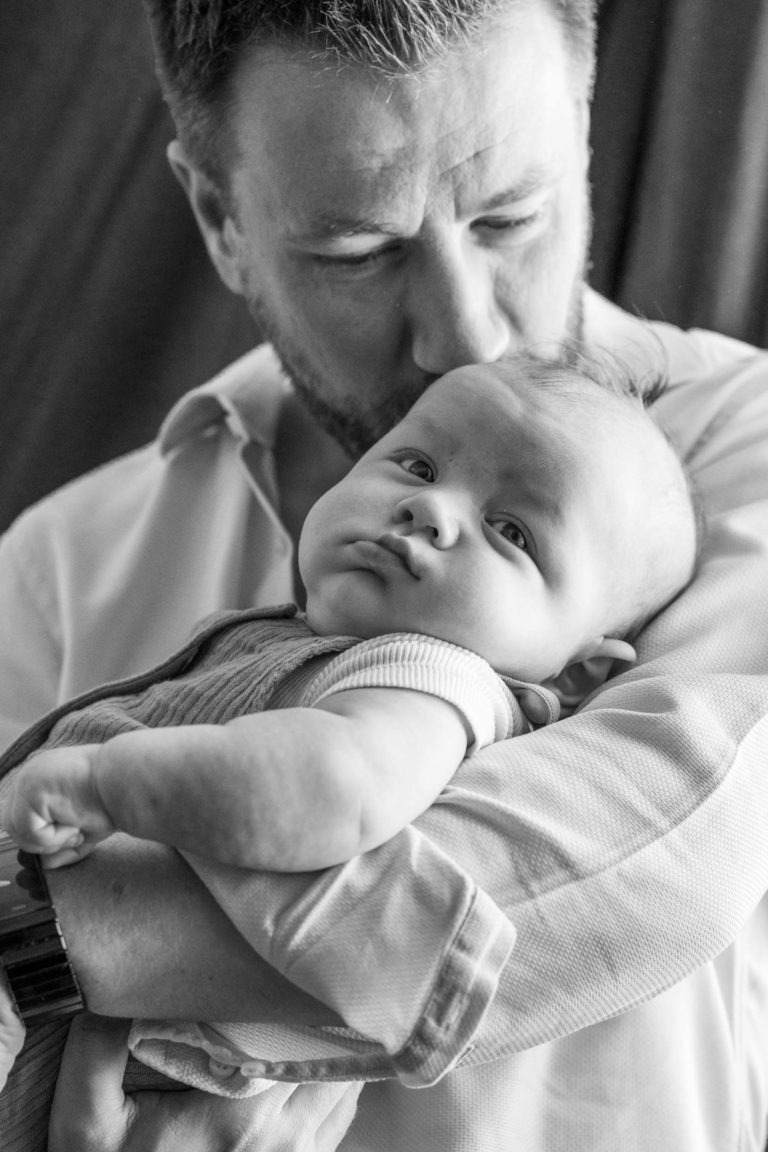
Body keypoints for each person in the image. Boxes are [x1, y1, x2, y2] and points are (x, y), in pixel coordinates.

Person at [0, 2, 767, 1150]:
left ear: (584, 133)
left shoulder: (739, 444)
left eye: (511, 215)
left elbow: (651, 866)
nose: (463, 337)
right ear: (220, 220)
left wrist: (42, 941)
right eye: (360, 251)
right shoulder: (62, 563)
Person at [0, 354, 696, 1107]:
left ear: (574, 675)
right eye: (417, 463)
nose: (430, 509)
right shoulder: (305, 642)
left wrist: (111, 783)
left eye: (512, 532)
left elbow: (329, 787)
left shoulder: (431, 679)